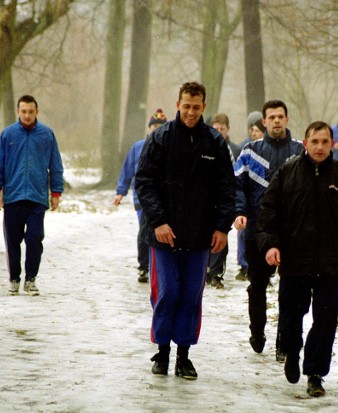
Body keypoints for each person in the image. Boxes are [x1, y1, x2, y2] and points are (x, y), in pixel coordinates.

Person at [256, 121, 338, 397]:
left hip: (330, 262)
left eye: (325, 142)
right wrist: (271, 245)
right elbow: (268, 214)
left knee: (325, 320)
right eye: (314, 141)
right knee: (291, 316)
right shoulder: (287, 174)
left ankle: (315, 373)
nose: (319, 147)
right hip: (294, 261)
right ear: (305, 143)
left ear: (332, 144)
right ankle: (292, 352)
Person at [135, 82, 235, 380]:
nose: (191, 112)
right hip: (163, 237)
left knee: (191, 297)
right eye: (186, 106)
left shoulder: (215, 143)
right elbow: (144, 182)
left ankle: (184, 356)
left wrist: (222, 228)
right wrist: (158, 222)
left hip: (200, 237)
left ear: (204, 107)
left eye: (196, 107)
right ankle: (162, 352)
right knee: (166, 293)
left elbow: (227, 189)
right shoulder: (161, 139)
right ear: (178, 104)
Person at [234, 99, 304, 359]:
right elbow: (237, 184)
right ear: (264, 122)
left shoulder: (300, 152)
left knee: (290, 289)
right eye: (271, 117)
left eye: (280, 116)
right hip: (257, 230)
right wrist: (240, 212)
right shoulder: (250, 152)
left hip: (292, 232)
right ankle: (257, 331)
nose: (276, 121)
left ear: (287, 119)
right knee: (258, 285)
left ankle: (284, 344)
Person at [0, 95, 64, 296]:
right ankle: (14, 278)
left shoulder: (47, 135)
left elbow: (55, 165)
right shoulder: (8, 135)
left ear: (36, 112)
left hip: (37, 197)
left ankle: (31, 278)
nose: (27, 115)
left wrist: (56, 192)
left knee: (35, 238)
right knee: (12, 240)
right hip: (13, 196)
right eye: (23, 111)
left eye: (31, 111)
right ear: (18, 112)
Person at [114, 108, 167, 283]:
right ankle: (144, 266)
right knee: (145, 230)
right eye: (154, 125)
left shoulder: (169, 147)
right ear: (149, 127)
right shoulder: (138, 147)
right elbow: (128, 170)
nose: (157, 128)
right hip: (142, 198)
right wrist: (121, 192)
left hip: (164, 198)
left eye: (161, 126)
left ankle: (159, 265)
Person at [205, 113, 239, 289]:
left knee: (220, 236)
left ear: (227, 130)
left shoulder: (233, 150)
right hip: (207, 200)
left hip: (224, 199)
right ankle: (206, 270)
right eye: (215, 129)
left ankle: (217, 273)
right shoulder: (205, 146)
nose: (218, 132)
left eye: (222, 129)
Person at [235, 111, 266, 282]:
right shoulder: (244, 148)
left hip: (263, 199)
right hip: (248, 199)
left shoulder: (268, 150)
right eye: (251, 129)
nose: (254, 133)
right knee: (243, 234)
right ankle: (244, 264)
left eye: (257, 129)